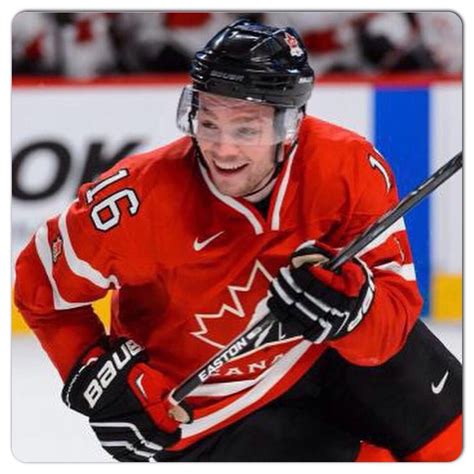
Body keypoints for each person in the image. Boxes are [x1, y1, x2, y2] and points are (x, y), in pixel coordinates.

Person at [14, 19, 461, 462]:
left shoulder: (348, 167)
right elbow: (38, 287)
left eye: (246, 129)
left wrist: (355, 311)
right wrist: (95, 374)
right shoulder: (136, 201)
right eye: (208, 123)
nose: (222, 150)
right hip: (204, 413)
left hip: (317, 355)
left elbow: (390, 329)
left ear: (289, 125)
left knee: (454, 427)